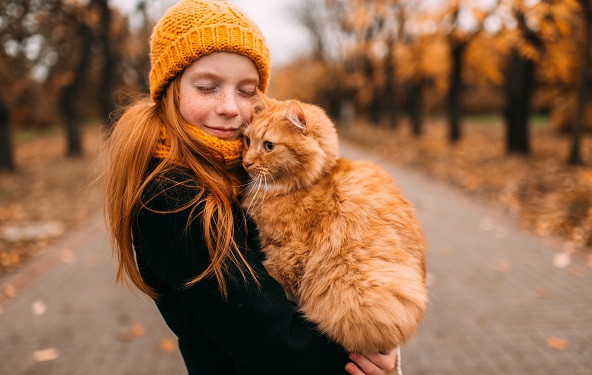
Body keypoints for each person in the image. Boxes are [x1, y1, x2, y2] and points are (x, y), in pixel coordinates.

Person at [103, 1, 398, 374]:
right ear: (170, 90)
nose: (230, 107)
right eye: (208, 87)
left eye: (246, 91)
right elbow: (280, 348)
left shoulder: (235, 167)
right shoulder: (172, 196)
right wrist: (368, 357)